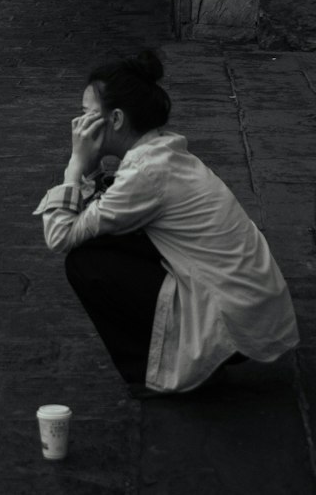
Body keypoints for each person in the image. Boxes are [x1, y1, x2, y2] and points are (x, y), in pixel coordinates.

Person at [34, 50, 299, 396]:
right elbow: (103, 213)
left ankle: (159, 371)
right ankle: (191, 352)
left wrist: (74, 166)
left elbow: (60, 235)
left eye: (86, 115)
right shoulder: (160, 150)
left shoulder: (147, 171)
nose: (78, 126)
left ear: (114, 119)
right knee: (105, 239)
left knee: (85, 262)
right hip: (251, 307)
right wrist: (91, 170)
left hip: (236, 322)